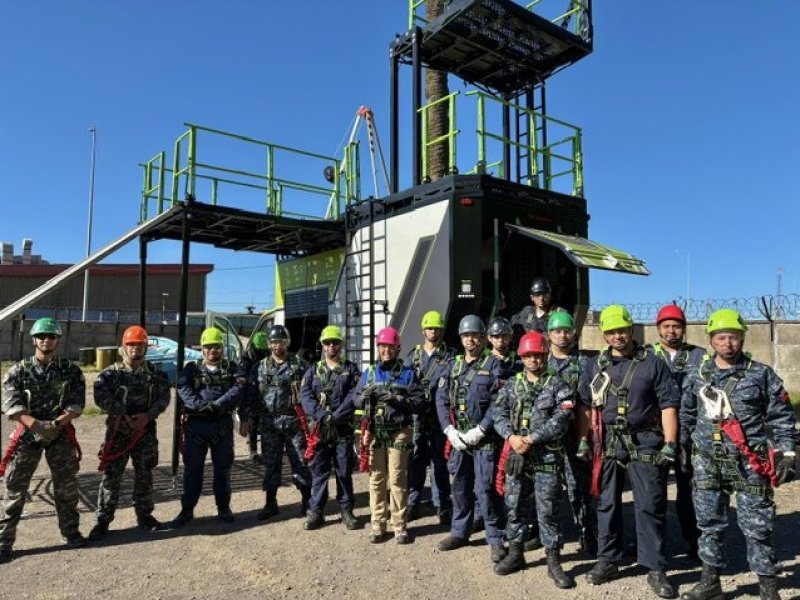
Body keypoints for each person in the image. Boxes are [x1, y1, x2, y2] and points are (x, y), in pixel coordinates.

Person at [679, 309, 798, 600]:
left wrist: (787, 453)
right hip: (707, 462)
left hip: (750, 463)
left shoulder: (761, 374)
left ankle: (768, 589)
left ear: (743, 338)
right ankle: (711, 583)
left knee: (758, 527)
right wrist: (682, 446)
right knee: (709, 525)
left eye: (734, 337)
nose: (728, 343)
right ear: (711, 340)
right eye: (721, 337)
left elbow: (781, 417)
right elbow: (686, 414)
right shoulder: (697, 375)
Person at [583, 305, 680, 599]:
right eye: (611, 332)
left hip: (646, 439)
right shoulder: (594, 365)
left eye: (622, 330)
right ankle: (608, 559)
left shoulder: (653, 363)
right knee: (607, 502)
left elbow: (668, 405)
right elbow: (586, 407)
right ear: (604, 334)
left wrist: (671, 444)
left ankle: (654, 566)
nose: (617, 337)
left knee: (649, 503)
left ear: (631, 330)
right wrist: (584, 440)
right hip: (609, 441)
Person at [0, 317, 86, 563]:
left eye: (51, 336)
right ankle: (4, 542)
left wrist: (57, 424)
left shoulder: (70, 370)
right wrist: (36, 425)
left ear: (57, 340)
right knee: (15, 489)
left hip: (59, 434)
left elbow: (77, 402)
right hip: (28, 435)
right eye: (42, 336)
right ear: (34, 339)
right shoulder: (18, 370)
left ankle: (70, 532)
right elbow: (11, 404)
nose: (46, 340)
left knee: (66, 487)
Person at [493, 331, 576, 585]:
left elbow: (562, 419)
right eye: (528, 356)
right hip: (517, 456)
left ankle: (553, 562)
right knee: (514, 505)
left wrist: (532, 439)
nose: (533, 360)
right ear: (522, 357)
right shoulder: (512, 384)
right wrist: (511, 437)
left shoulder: (558, 385)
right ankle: (516, 553)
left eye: (538, 355)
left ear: (545, 356)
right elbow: (499, 413)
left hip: (546, 458)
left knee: (548, 509)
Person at [435, 315, 506, 564]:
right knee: (460, 487)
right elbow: (441, 400)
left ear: (483, 337)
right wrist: (449, 431)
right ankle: (460, 532)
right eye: (466, 335)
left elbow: (499, 402)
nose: (470, 340)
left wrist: (482, 430)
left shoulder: (494, 365)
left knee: (486, 490)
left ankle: (496, 538)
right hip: (459, 440)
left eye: (474, 335)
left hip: (483, 439)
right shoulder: (452, 366)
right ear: (461, 337)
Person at [88, 325, 171, 540]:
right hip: (118, 433)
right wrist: (122, 413)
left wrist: (148, 415)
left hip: (145, 432)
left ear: (146, 348)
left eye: (139, 345)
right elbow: (100, 396)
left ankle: (145, 516)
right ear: (123, 347)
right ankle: (102, 521)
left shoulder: (156, 374)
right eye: (131, 345)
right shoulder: (111, 374)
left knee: (145, 475)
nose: (135, 349)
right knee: (111, 477)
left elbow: (164, 397)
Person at [170, 327, 246, 527]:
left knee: (223, 470)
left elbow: (238, 388)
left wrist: (218, 404)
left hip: (221, 427)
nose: (213, 351)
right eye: (209, 347)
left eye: (217, 347)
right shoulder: (191, 369)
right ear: (202, 349)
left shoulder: (232, 368)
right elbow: (182, 388)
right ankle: (187, 510)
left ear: (222, 348)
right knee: (193, 471)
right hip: (196, 428)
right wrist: (199, 405)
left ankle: (223, 508)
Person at [647, 304, 705, 560]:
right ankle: (654, 546)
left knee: (689, 493)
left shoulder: (700, 356)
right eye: (666, 326)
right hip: (654, 435)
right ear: (658, 329)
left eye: (676, 326)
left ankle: (695, 544)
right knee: (653, 494)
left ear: (684, 329)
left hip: (689, 436)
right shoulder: (645, 355)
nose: (671, 331)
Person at [355, 327, 423, 544]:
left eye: (390, 347)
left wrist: (398, 400)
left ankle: (399, 525)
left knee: (397, 479)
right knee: (376, 479)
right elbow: (355, 401)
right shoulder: (369, 373)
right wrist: (362, 398)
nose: (386, 350)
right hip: (375, 432)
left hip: (399, 432)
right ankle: (377, 523)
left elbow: (420, 402)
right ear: (378, 348)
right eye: (383, 346)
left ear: (397, 348)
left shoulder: (407, 373)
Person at [299, 325, 361, 531]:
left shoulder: (351, 369)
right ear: (322, 346)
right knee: (320, 472)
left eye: (335, 342)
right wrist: (321, 415)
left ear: (341, 345)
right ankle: (316, 511)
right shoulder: (312, 371)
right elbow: (305, 397)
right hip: (320, 430)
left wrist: (336, 415)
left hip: (342, 428)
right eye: (327, 343)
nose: (331, 346)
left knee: (344, 471)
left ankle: (346, 509)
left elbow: (355, 395)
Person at [547, 309, 597, 556]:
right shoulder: (539, 362)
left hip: (576, 434)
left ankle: (587, 533)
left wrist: (584, 438)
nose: (562, 335)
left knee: (580, 487)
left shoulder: (585, 363)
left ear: (574, 334)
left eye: (566, 330)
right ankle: (547, 536)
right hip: (547, 438)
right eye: (556, 331)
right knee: (549, 488)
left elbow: (588, 404)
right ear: (549, 335)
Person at [249, 325, 311, 520]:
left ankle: (307, 501)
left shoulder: (300, 365)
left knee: (300, 461)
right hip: (270, 422)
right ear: (268, 344)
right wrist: (249, 418)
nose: (278, 345)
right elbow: (252, 395)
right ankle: (270, 503)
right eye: (274, 342)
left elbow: (310, 391)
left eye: (281, 341)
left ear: (288, 342)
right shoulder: (259, 367)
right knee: (271, 463)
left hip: (294, 421)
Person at [405, 310, 453, 525]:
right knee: (415, 461)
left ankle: (442, 505)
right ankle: (413, 502)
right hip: (417, 417)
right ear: (423, 330)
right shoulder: (412, 356)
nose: (433, 332)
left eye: (436, 328)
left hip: (439, 417)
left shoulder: (450, 357)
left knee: (439, 462)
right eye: (430, 328)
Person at [242, 331, 270, 463]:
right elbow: (243, 375)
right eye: (259, 351)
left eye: (263, 351)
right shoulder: (246, 357)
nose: (261, 353)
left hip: (265, 395)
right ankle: (253, 451)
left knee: (265, 424)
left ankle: (266, 452)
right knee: (252, 424)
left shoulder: (267, 355)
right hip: (251, 394)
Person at [486, 316, 522, 382]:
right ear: (489, 338)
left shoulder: (518, 362)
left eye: (504, 336)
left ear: (510, 337)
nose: (500, 340)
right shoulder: (481, 361)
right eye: (496, 336)